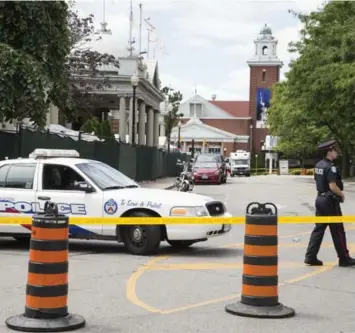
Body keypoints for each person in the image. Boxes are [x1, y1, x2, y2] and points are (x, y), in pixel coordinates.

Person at [304, 140, 355, 267]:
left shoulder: (319, 165)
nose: (337, 153)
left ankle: (310, 256)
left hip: (320, 199)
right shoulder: (330, 167)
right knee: (338, 230)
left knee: (319, 229)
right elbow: (332, 186)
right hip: (330, 202)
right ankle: (344, 258)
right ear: (329, 151)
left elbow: (318, 181)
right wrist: (342, 195)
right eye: (335, 151)